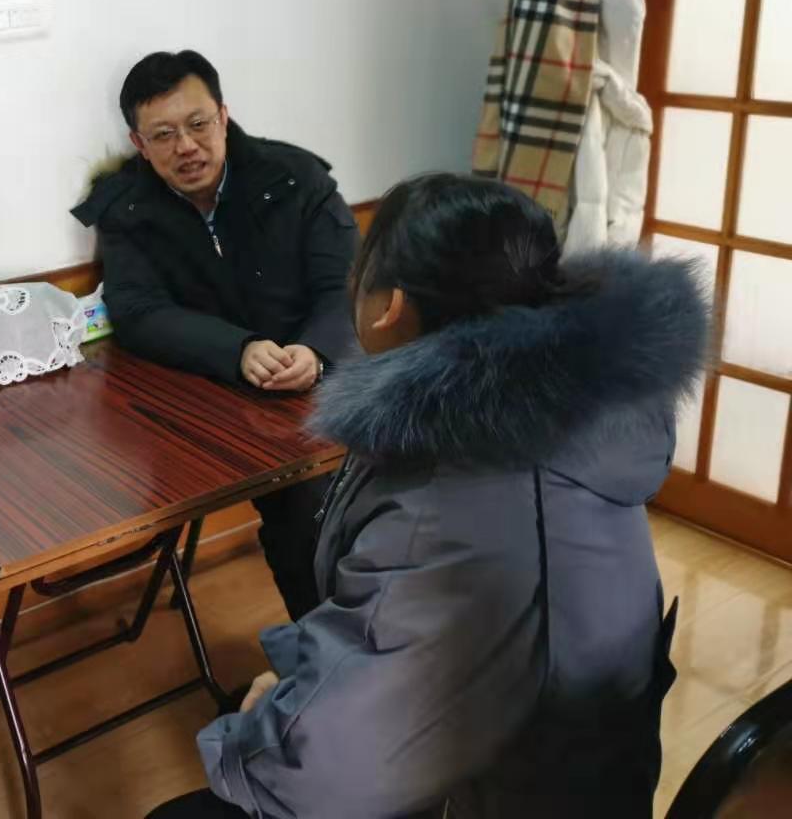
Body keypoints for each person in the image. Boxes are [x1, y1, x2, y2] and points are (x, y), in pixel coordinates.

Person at [150, 173, 708, 818]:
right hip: (581, 767)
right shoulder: (571, 408)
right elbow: (392, 631)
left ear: (389, 306)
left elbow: (321, 774)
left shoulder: (447, 492)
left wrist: (251, 736)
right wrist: (293, 681)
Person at [72, 50, 359, 620]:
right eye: (164, 135)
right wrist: (238, 350)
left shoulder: (296, 179)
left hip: (326, 373)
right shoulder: (127, 207)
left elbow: (348, 288)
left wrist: (315, 351)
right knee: (301, 505)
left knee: (362, 494)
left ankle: (373, 638)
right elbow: (138, 311)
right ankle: (327, 648)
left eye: (198, 124)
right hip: (226, 393)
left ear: (224, 117)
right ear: (139, 143)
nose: (186, 146)